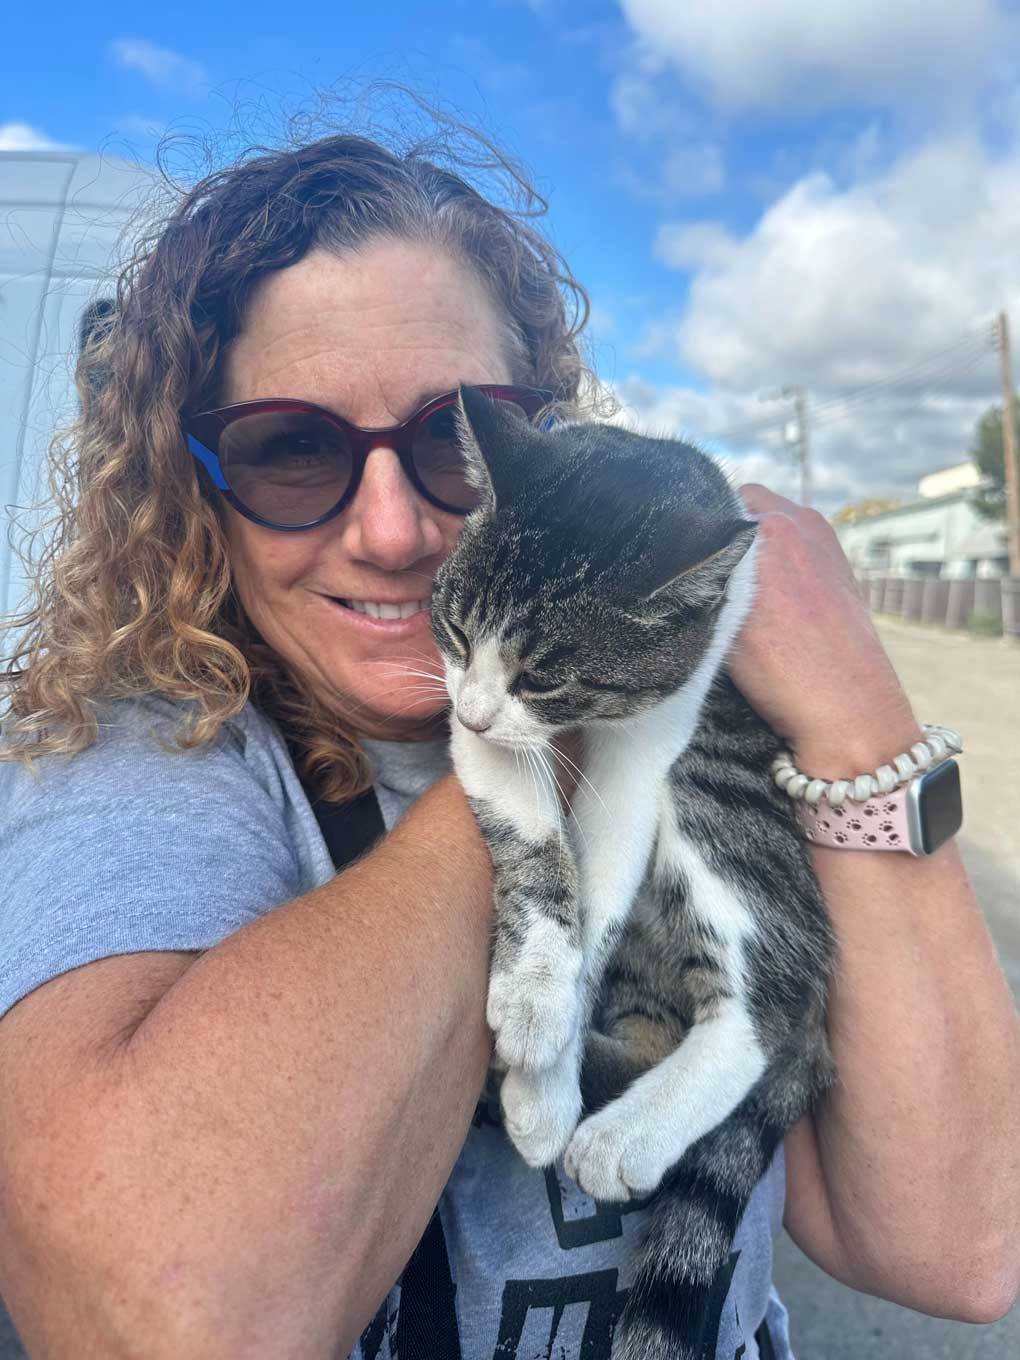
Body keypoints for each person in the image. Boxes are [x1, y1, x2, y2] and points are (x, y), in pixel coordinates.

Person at [0, 110, 1017, 1360]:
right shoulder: (144, 758)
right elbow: (165, 1316)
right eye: (293, 450)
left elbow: (958, 1247)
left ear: (534, 432)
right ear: (194, 477)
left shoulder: (721, 700)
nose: (387, 531)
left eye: (449, 434)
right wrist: (551, 763)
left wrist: (860, 709)